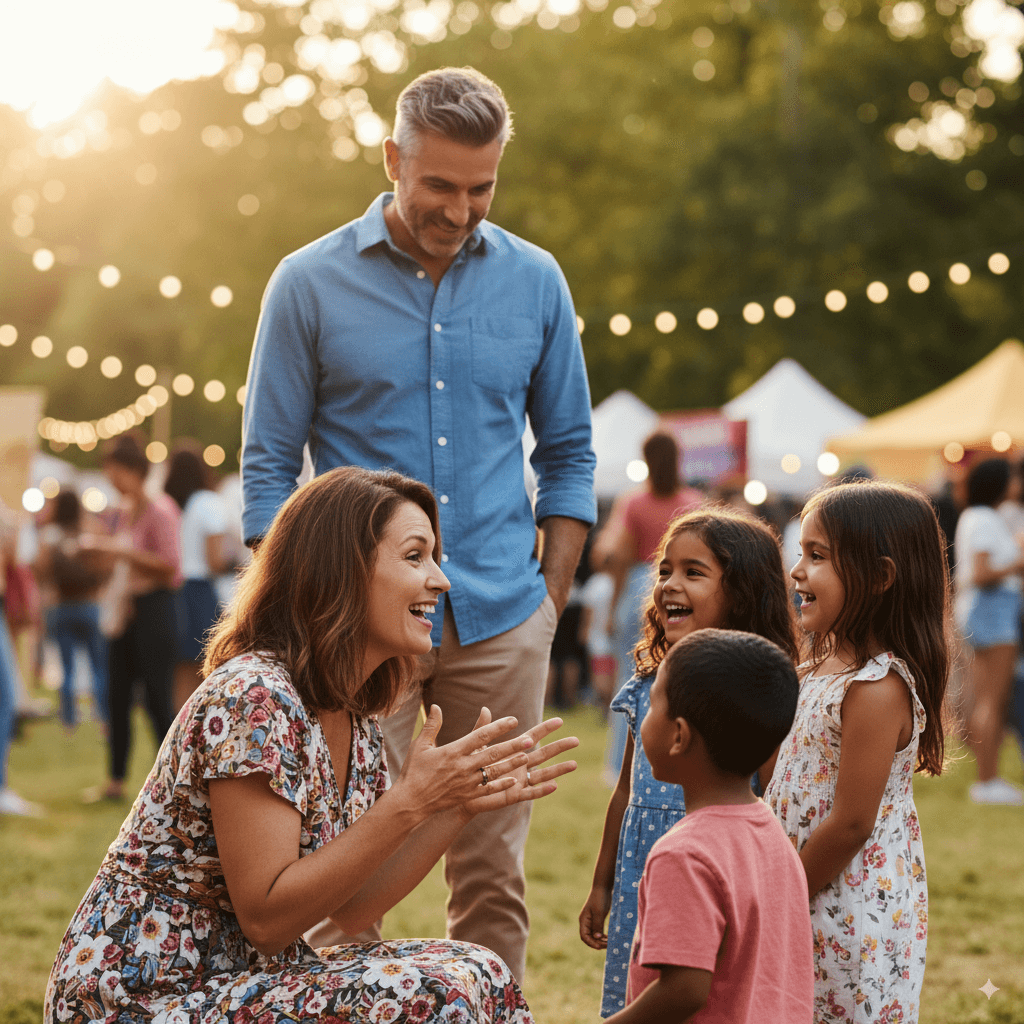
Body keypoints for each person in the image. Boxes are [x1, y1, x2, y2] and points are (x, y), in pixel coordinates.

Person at [240, 67, 595, 979]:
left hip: (502, 620)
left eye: (482, 187)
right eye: (440, 185)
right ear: (392, 157)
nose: (461, 209)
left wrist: (548, 603)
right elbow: (269, 468)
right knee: (353, 868)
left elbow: (569, 456)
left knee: (491, 867)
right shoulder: (306, 283)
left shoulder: (537, 281)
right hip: (357, 630)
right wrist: (294, 617)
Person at [45, 467, 577, 1024]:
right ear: (342, 571)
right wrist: (411, 800)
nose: (441, 580)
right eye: (415, 556)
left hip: (239, 981)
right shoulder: (254, 698)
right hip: (143, 996)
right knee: (440, 992)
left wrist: (455, 804)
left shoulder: (354, 712)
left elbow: (356, 906)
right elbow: (269, 920)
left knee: (482, 969)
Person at [580, 507, 800, 1017]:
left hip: (714, 871)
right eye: (664, 570)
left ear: (742, 592)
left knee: (701, 988)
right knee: (643, 986)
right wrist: (602, 882)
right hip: (642, 870)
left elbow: (770, 795)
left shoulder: (755, 692)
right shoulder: (648, 683)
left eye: (693, 572)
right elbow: (626, 791)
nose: (669, 585)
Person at [764, 480, 952, 1023]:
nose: (797, 570)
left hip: (845, 902)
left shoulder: (874, 688)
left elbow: (851, 824)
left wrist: (781, 898)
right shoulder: (815, 670)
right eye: (800, 552)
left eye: (817, 556)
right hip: (801, 884)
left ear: (880, 577)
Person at [604, 629, 813, 1023]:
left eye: (652, 705)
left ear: (679, 735)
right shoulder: (771, 833)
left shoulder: (683, 855)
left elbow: (684, 990)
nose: (644, 719)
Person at [592, 431, 703, 786]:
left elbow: (619, 560)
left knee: (630, 679)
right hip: (686, 595)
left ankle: (618, 765)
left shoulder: (634, 503)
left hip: (641, 590)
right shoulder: (695, 502)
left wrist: (611, 611)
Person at [83, 434, 182, 801]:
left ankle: (174, 784)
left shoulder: (161, 509)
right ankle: (116, 781)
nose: (110, 479)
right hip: (125, 612)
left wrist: (118, 551)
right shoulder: (123, 512)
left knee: (158, 698)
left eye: (114, 471)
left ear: (133, 471)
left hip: (156, 609)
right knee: (118, 695)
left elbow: (171, 566)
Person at [954, 457, 1024, 804]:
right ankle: (988, 780)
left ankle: (988, 779)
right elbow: (982, 573)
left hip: (986, 611)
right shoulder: (983, 519)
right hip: (993, 612)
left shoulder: (978, 517)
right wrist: (1018, 562)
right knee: (991, 702)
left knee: (985, 700)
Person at [34, 491, 109, 733]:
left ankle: (68, 720)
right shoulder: (90, 530)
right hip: (89, 604)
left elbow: (41, 569)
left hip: (61, 606)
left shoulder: (50, 535)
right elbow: (104, 565)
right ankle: (102, 717)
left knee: (66, 668)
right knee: (98, 666)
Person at [164, 442, 231, 713]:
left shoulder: (172, 506)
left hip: (176, 590)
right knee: (210, 669)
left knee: (180, 671)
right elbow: (214, 561)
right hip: (201, 592)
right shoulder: (208, 503)